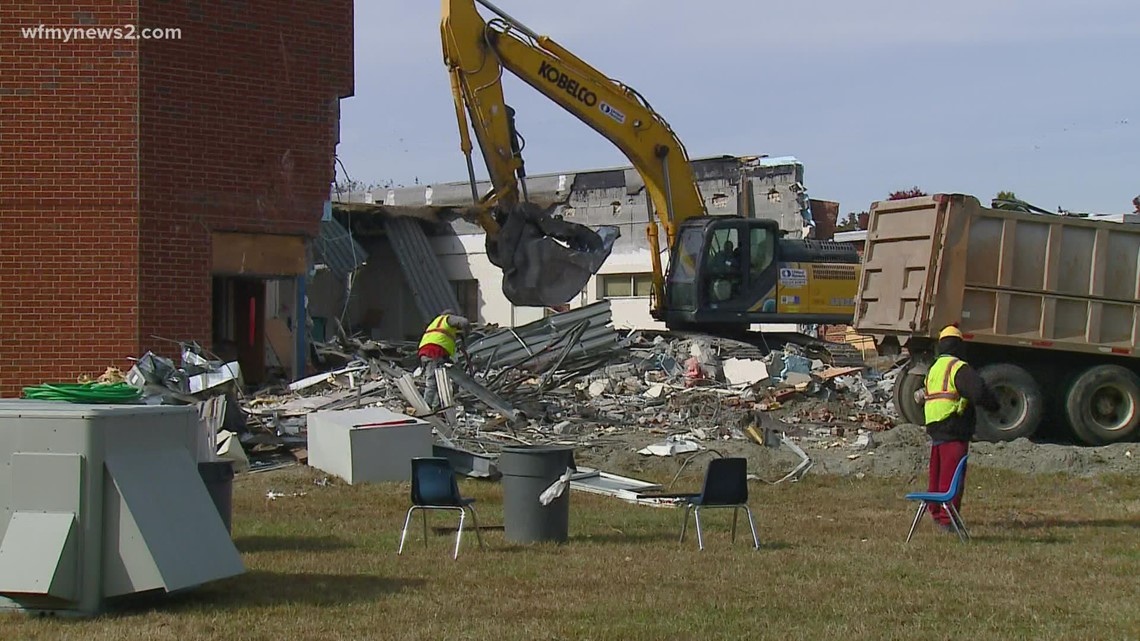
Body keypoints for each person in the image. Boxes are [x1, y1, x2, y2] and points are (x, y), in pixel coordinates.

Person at [922, 324, 1000, 532]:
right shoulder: (958, 368)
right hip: (954, 427)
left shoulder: (935, 368)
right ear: (958, 346)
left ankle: (937, 514)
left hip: (935, 428)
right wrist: (994, 405)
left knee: (937, 476)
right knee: (952, 477)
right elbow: (978, 391)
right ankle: (948, 521)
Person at [417, 309, 470, 410]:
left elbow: (442, 337)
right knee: (432, 383)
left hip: (426, 352)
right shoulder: (448, 319)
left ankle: (437, 407)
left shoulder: (435, 323)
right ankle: (425, 408)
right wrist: (466, 333)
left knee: (439, 381)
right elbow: (464, 322)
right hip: (434, 352)